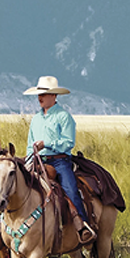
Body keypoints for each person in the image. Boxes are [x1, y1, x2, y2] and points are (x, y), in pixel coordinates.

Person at [23, 75, 96, 244]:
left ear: (54, 96)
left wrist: (47, 143)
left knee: (70, 189)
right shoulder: (36, 119)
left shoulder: (64, 116)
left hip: (59, 161)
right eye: (39, 94)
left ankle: (83, 226)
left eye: (44, 94)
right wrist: (28, 160)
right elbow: (29, 144)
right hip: (37, 160)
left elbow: (68, 142)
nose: (40, 97)